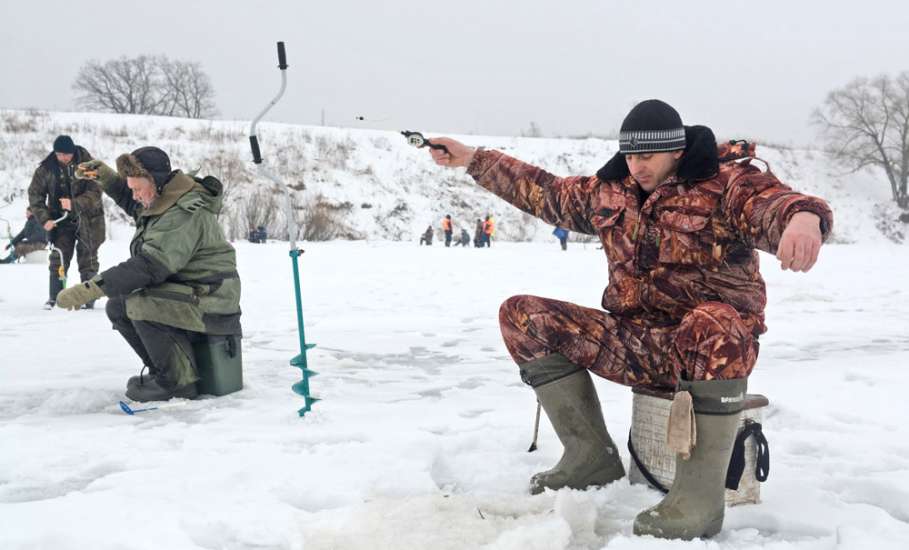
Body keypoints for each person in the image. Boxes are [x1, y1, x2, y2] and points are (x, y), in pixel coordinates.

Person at [424, 99, 833, 540]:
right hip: (636, 343)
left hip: (709, 351)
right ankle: (589, 458)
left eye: (647, 156)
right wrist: (471, 159)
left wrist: (804, 222)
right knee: (523, 316)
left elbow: (777, 204)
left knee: (713, 322)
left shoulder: (726, 183)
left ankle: (698, 501)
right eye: (631, 155)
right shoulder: (611, 190)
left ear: (676, 150)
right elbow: (543, 191)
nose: (636, 166)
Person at [55, 146, 242, 402]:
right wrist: (105, 176)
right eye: (131, 187)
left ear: (155, 181)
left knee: (139, 302)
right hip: (189, 292)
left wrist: (90, 289)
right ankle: (163, 371)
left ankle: (177, 382)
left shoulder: (182, 214)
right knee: (119, 307)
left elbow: (149, 266)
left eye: (137, 188)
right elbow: (136, 202)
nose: (134, 195)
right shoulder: (164, 198)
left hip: (211, 298)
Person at [28, 135, 105, 308]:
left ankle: (89, 299)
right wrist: (44, 219)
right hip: (60, 220)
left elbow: (96, 192)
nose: (63, 158)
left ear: (73, 152)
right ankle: (55, 298)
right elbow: (35, 195)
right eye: (60, 154)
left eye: (67, 154)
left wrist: (74, 203)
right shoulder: (45, 170)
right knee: (58, 257)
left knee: (89, 259)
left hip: (90, 219)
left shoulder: (89, 165)